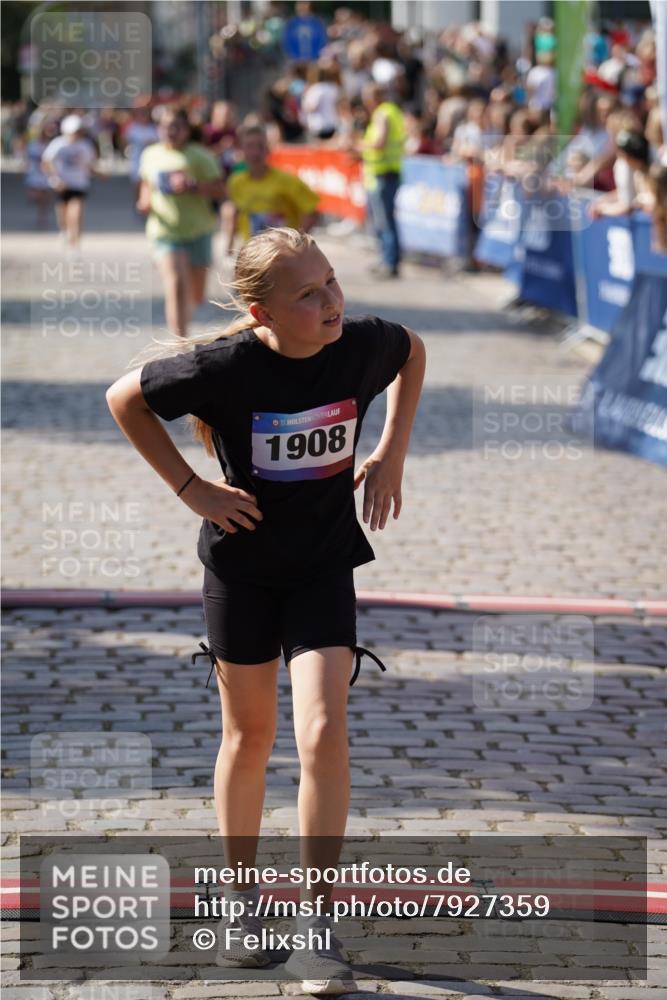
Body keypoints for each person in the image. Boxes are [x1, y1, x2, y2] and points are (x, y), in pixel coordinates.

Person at [105, 227, 425, 995]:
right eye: (308, 294)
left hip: (321, 569)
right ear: (262, 313)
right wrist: (191, 489)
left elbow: (413, 351)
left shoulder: (360, 346)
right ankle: (240, 903)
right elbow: (124, 399)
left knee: (321, 730)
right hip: (241, 573)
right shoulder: (224, 366)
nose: (331, 301)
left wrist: (391, 451)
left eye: (332, 281)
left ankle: (317, 927)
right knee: (248, 737)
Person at [137, 106, 226, 338]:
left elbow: (220, 190)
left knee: (196, 295)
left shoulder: (200, 156)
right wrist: (144, 201)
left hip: (199, 230)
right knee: (175, 284)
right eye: (166, 126)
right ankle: (180, 343)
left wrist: (193, 185)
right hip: (165, 231)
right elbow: (146, 183)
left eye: (176, 127)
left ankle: (184, 316)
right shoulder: (150, 154)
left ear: (187, 130)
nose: (171, 131)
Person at [225, 123, 319, 254]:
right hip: (252, 253)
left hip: (282, 255)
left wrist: (297, 244)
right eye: (250, 146)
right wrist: (230, 245)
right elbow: (235, 211)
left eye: (260, 146)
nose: (255, 152)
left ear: (267, 149)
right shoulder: (236, 182)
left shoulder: (287, 180)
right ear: (242, 150)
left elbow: (312, 211)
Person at [359, 82, 406, 279]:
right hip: (386, 172)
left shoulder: (382, 113)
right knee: (383, 220)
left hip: (383, 174)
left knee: (384, 221)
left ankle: (389, 261)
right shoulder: (393, 111)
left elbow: (379, 142)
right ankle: (385, 259)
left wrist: (359, 145)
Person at [41, 114, 98, 252]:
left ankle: (75, 244)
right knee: (63, 214)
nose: (75, 135)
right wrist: (55, 179)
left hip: (79, 184)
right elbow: (46, 162)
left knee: (76, 214)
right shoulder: (58, 144)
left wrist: (100, 174)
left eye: (78, 131)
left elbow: (89, 165)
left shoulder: (85, 145)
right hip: (62, 185)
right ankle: (64, 231)